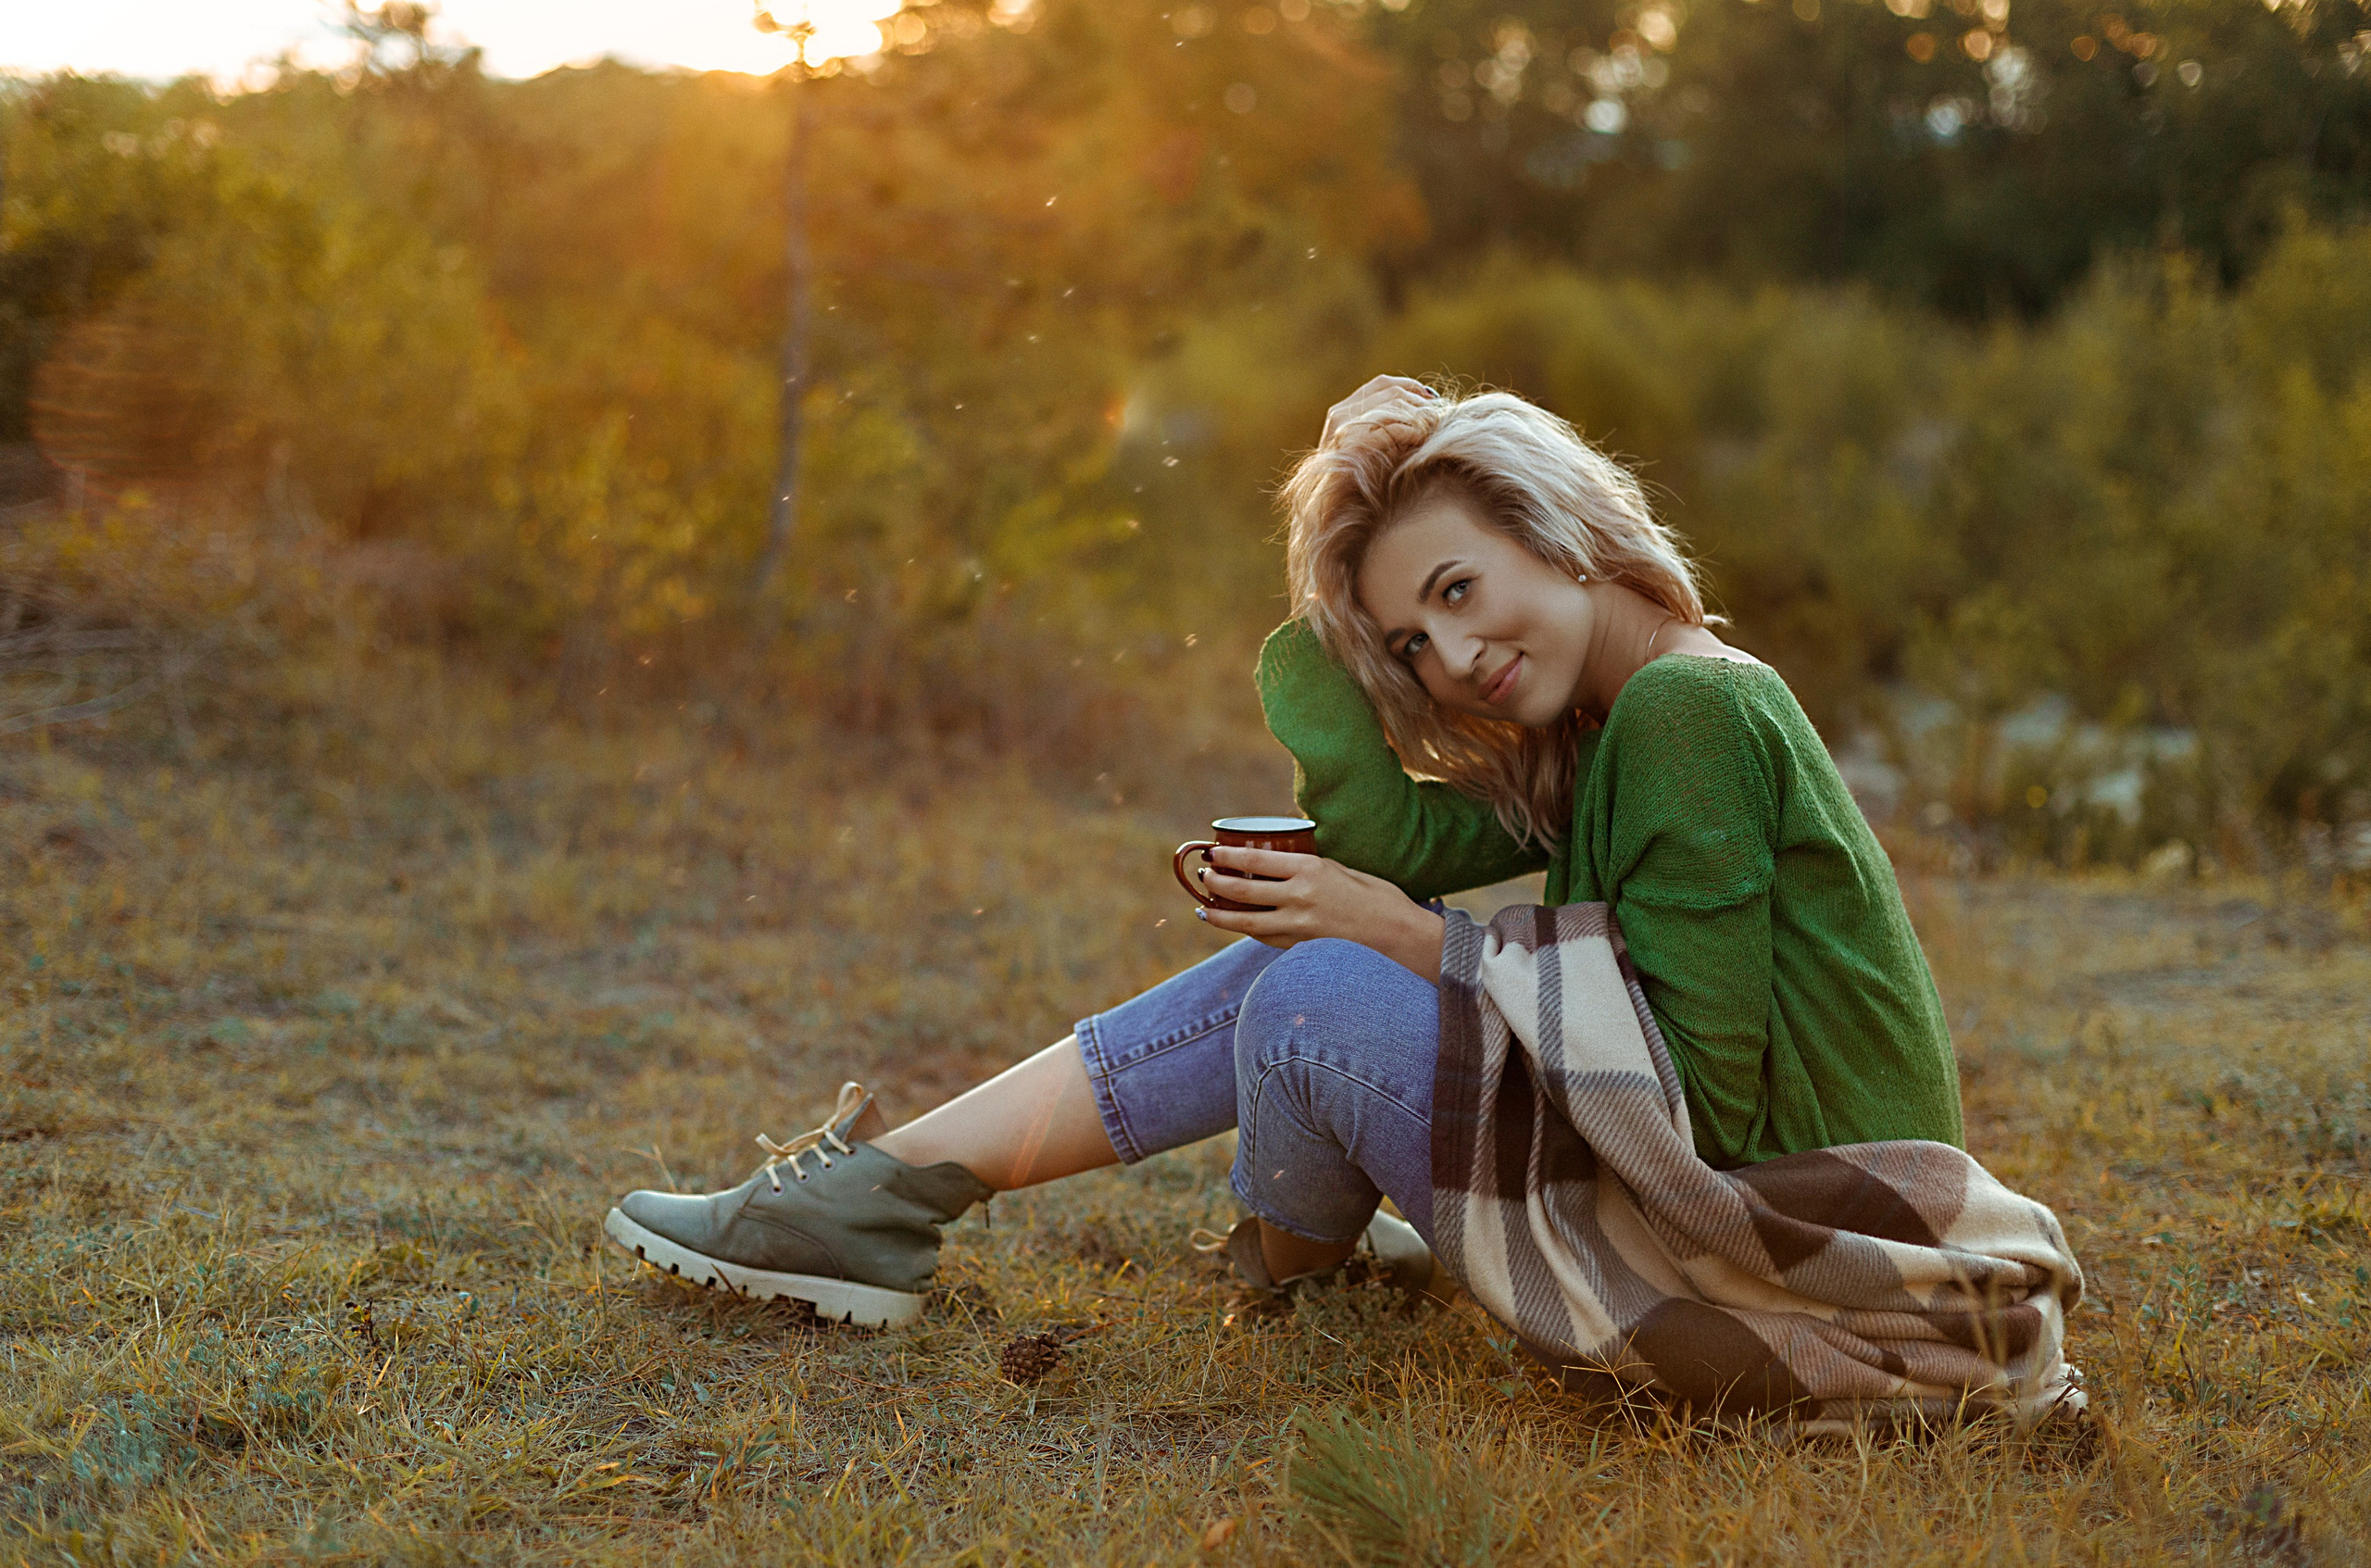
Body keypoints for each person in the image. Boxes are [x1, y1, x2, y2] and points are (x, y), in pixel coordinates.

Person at [602, 375, 1964, 1330]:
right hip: (1760, 1201)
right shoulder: (1618, 718)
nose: (1455, 661)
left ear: (1558, 528)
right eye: (1415, 646)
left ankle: (892, 1198)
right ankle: (903, 1196)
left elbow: (1702, 1099)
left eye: (1457, 589)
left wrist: (1386, 930)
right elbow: (1395, 836)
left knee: (1318, 990)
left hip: (1796, 1230)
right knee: (1315, 958)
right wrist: (1337, 578)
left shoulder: (1685, 712)